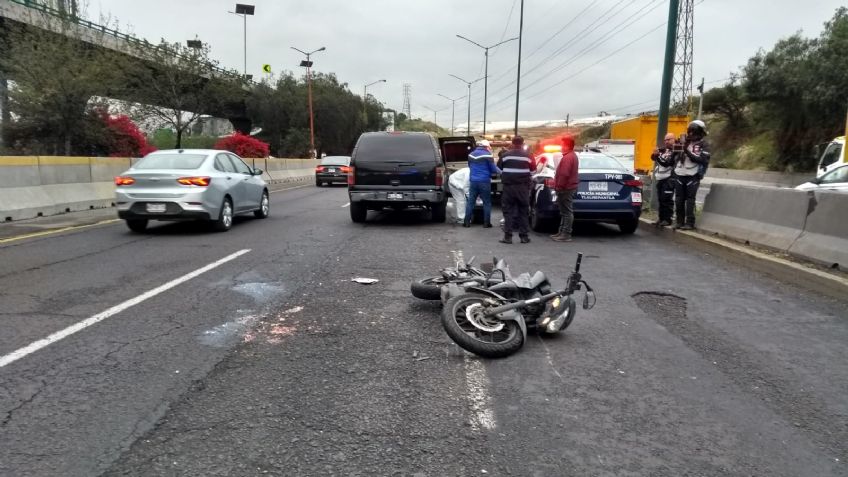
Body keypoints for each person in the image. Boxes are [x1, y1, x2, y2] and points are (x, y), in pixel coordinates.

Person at [497, 136, 536, 244]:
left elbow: (499, 169)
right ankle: (524, 237)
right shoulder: (529, 156)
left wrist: (508, 174)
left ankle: (508, 237)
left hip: (508, 188)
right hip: (523, 188)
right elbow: (533, 172)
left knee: (508, 212)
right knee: (523, 211)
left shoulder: (505, 155)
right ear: (523, 143)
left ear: (512, 143)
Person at [674, 120, 711, 230]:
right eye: (689, 131)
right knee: (679, 199)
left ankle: (690, 223)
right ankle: (679, 222)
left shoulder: (704, 144)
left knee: (690, 200)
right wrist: (677, 146)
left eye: (692, 131)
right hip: (680, 173)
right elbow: (674, 157)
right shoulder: (684, 142)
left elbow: (703, 160)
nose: (690, 134)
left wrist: (687, 151)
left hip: (693, 175)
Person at [465, 140, 500, 227]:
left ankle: (466, 222)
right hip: (484, 181)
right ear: (486, 147)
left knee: (471, 202)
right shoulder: (488, 155)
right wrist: (501, 172)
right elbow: (493, 169)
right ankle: (486, 223)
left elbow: (470, 166)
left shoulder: (471, 155)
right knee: (486, 202)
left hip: (473, 181)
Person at [551, 135, 579, 242]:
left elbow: (564, 174)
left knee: (566, 212)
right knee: (564, 212)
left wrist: (559, 186)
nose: (561, 146)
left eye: (562, 144)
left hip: (566, 188)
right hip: (567, 187)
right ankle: (561, 232)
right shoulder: (571, 156)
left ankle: (566, 234)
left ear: (567, 146)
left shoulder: (568, 157)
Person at [651, 133, 679, 227]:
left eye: (668, 139)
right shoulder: (664, 150)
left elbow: (667, 163)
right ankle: (661, 218)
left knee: (666, 200)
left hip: (669, 178)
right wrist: (655, 153)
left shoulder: (675, 150)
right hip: (661, 178)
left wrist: (658, 156)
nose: (666, 142)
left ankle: (667, 219)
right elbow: (653, 157)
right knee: (661, 200)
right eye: (665, 140)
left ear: (674, 139)